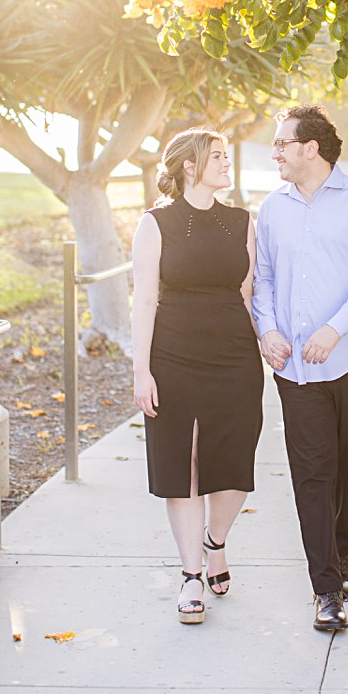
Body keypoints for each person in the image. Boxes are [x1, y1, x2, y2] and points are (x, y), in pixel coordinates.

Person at [252, 106, 348, 632]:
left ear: (311, 148)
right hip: (295, 371)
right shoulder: (272, 209)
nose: (275, 153)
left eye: (281, 144)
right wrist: (267, 329)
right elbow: (262, 279)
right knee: (312, 473)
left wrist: (334, 329)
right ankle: (326, 588)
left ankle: (342, 551)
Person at [131, 129, 264, 624]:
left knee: (233, 461)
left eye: (228, 157)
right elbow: (144, 298)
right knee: (180, 462)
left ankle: (216, 542)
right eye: (219, 158)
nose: (227, 165)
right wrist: (141, 370)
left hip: (234, 355)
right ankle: (190, 576)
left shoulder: (242, 222)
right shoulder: (155, 223)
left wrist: (268, 340)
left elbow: (249, 295)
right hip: (173, 355)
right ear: (190, 166)